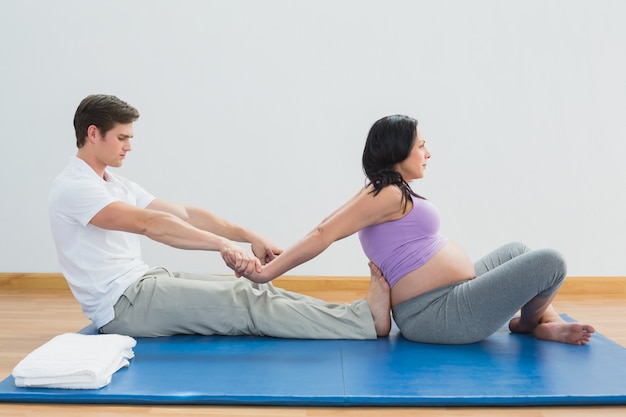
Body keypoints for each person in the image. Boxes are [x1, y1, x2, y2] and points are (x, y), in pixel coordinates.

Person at [48, 94, 391, 339]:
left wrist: (247, 235)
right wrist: (222, 245)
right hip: (122, 306)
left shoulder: (114, 183)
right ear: (93, 134)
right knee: (245, 302)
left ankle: (358, 315)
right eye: (122, 138)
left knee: (255, 291)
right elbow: (149, 225)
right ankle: (362, 323)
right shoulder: (75, 188)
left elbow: (185, 214)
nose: (129, 146)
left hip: (142, 282)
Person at [234, 114, 596, 345]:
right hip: (438, 315)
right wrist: (267, 275)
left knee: (518, 250)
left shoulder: (382, 189)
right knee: (552, 261)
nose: (428, 153)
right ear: (399, 151)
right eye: (421, 145)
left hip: (454, 295)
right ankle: (534, 324)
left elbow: (323, 227)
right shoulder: (386, 193)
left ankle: (542, 321)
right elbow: (323, 233)